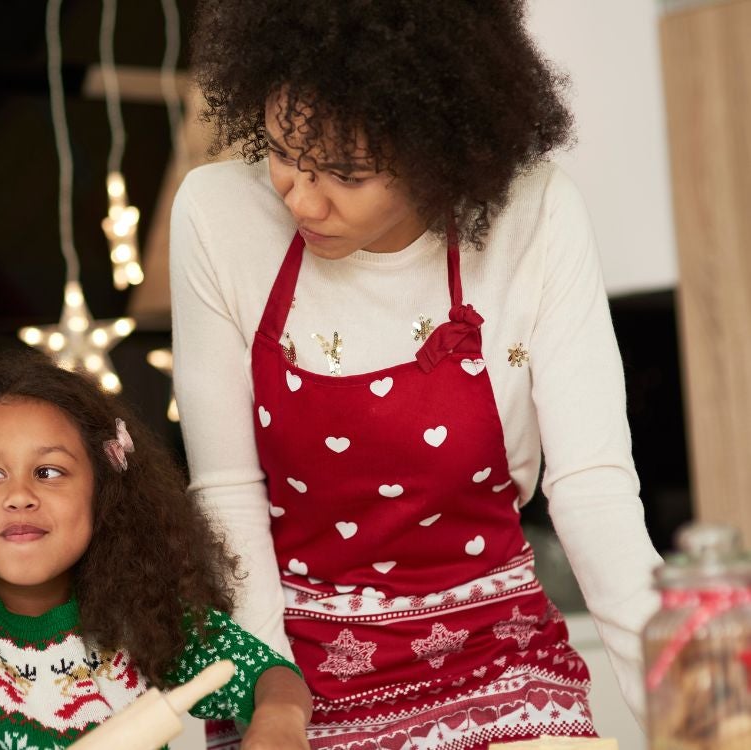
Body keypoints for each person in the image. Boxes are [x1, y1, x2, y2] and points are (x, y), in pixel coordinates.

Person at [169, 1, 663, 748]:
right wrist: (270, 696)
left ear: (441, 155)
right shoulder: (216, 216)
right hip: (297, 661)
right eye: (282, 151)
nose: (301, 197)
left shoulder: (534, 214)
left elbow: (593, 490)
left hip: (497, 653)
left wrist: (687, 707)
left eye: (347, 173)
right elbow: (227, 494)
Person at [0, 350, 312, 749]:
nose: (19, 496)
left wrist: (279, 718)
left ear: (102, 496)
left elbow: (267, 675)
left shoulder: (138, 611)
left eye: (49, 472)